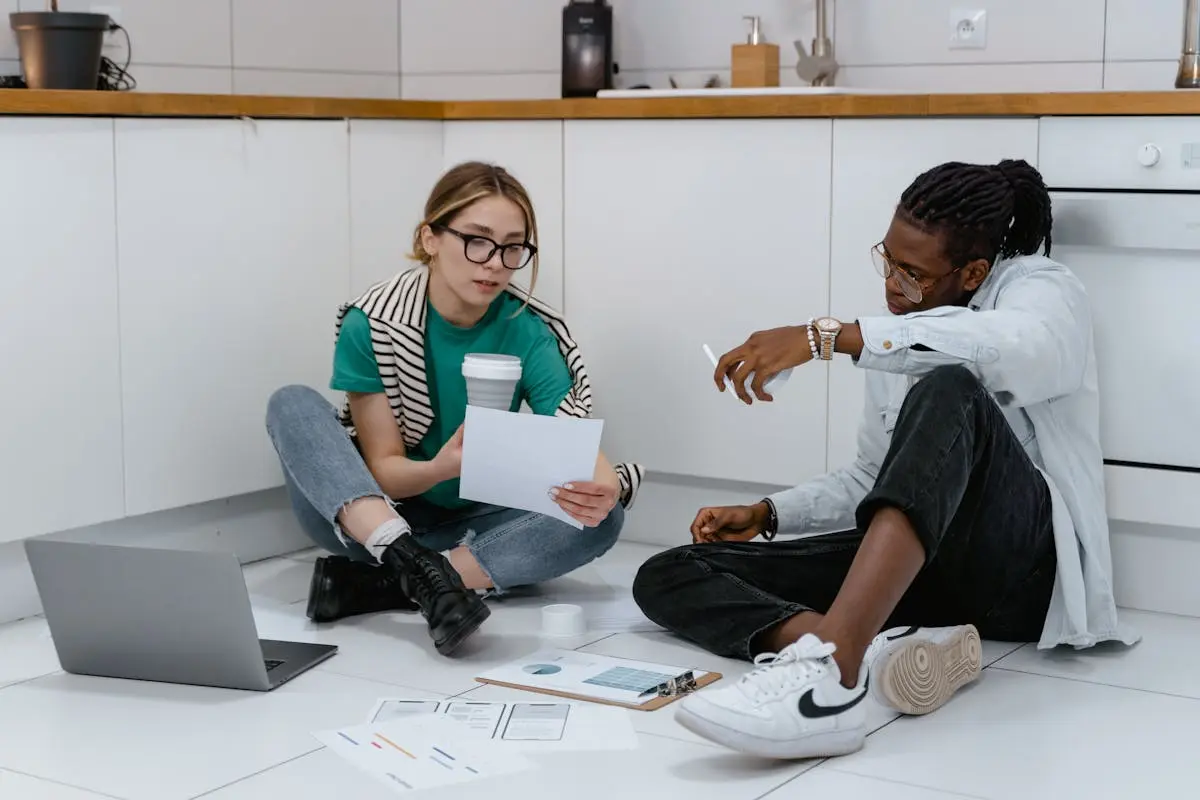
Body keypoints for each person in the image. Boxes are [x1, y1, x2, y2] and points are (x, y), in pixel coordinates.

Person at [632, 158, 1139, 760]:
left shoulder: (1040, 288)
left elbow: (1025, 350)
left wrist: (832, 336)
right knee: (668, 574)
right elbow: (876, 478)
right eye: (888, 261)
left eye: (913, 273)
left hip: (1023, 572)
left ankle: (835, 683)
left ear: (974, 271)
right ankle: (875, 642)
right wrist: (770, 513)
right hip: (927, 573)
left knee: (951, 385)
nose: (892, 286)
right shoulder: (896, 329)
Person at [266, 161, 643, 657]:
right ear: (430, 238)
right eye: (477, 240)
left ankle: (403, 582)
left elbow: (579, 448)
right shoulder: (372, 323)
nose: (495, 263)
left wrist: (604, 486)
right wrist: (442, 467)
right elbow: (385, 471)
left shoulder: (529, 330)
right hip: (372, 517)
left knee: (605, 517)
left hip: (474, 521)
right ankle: (418, 566)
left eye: (513, 247)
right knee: (291, 403)